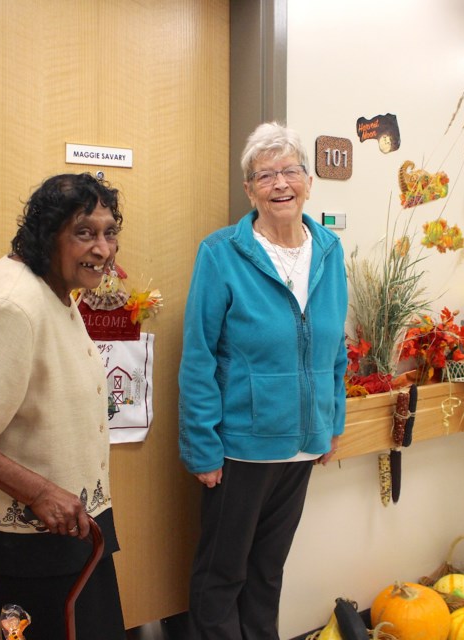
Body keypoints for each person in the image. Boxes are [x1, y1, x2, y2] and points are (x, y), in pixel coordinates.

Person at [0, 173, 127, 639]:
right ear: (46, 233)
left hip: (72, 525)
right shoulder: (12, 305)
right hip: (36, 534)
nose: (103, 248)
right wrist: (39, 493)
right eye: (84, 233)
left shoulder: (51, 286)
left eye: (109, 232)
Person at [178, 122, 349, 639]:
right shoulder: (221, 253)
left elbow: (335, 345)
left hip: (300, 446)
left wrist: (331, 422)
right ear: (249, 190)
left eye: (290, 170)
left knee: (267, 571)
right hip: (242, 450)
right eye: (265, 174)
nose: (280, 184)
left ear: (308, 182)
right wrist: (201, 446)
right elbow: (199, 355)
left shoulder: (329, 251)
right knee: (221, 574)